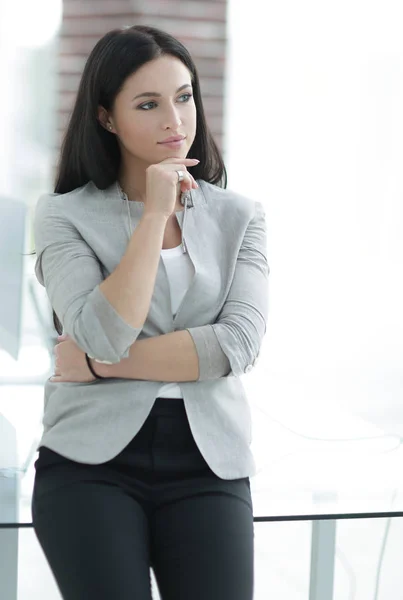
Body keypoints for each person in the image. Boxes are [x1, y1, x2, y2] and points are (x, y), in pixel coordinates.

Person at [31, 24, 269, 600]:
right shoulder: (63, 216)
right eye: (148, 103)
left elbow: (235, 346)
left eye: (184, 97)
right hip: (91, 462)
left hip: (209, 462)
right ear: (107, 118)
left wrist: (97, 367)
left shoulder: (241, 216)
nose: (175, 120)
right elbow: (102, 333)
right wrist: (152, 213)